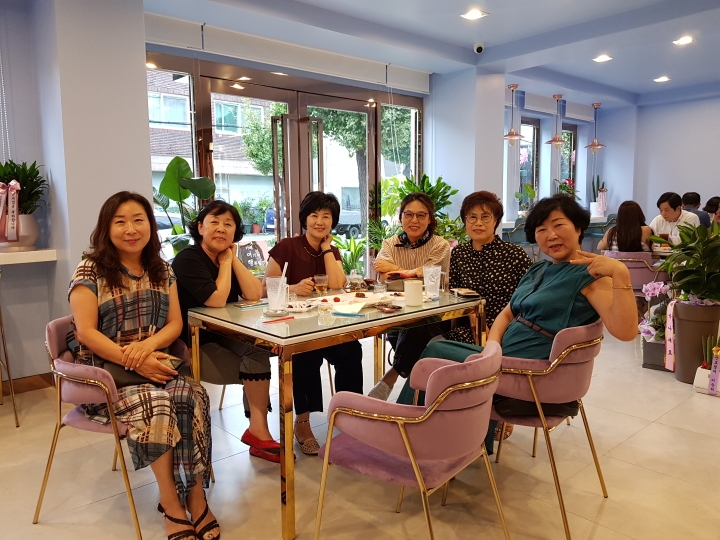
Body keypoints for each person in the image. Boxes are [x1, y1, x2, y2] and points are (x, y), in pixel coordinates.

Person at [404, 195, 638, 454]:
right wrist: (492, 347)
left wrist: (620, 273)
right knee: (429, 343)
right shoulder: (539, 269)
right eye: (541, 229)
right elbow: (507, 314)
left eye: (558, 225)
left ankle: (409, 433)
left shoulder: (590, 275)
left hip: (529, 370)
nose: (551, 235)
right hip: (501, 354)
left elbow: (626, 332)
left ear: (578, 228)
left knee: (434, 353)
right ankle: (456, 441)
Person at [67, 192, 218, 540]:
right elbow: (86, 332)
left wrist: (146, 350)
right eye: (120, 221)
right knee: (158, 404)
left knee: (191, 395)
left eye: (139, 220)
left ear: (150, 225)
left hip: (155, 362)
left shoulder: (162, 270)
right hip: (107, 375)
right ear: (106, 228)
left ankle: (196, 495)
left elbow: (175, 324)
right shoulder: (89, 270)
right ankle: (171, 502)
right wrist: (132, 360)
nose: (131, 229)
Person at [392, 190, 532, 406]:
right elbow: (454, 295)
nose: (478, 223)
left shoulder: (514, 255)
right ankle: (420, 409)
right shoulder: (460, 254)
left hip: (503, 331)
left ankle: (411, 409)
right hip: (467, 326)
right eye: (472, 217)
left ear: (496, 220)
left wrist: (496, 329)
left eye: (485, 217)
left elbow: (525, 302)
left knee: (431, 350)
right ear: (465, 221)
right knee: (417, 331)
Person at [172, 200, 280, 464]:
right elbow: (217, 299)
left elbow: (254, 294)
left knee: (258, 352)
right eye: (214, 222)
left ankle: (258, 430)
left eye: (228, 224)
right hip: (191, 346)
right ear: (200, 227)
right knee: (255, 369)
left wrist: (232, 259)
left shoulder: (225, 258)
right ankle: (259, 433)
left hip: (223, 336)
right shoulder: (188, 258)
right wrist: (226, 262)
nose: (221, 228)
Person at [264, 191, 363, 455]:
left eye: (326, 216)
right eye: (314, 215)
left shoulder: (331, 250)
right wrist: (293, 288)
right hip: (293, 328)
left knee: (352, 350)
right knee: (304, 356)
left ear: (333, 221)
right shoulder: (287, 247)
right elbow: (265, 288)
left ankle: (349, 414)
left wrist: (327, 249)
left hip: (326, 325)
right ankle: (302, 422)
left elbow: (337, 284)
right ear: (304, 218)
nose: (320, 221)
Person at [368, 192, 451, 401]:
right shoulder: (390, 244)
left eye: (421, 215)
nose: (414, 220)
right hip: (396, 312)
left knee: (416, 327)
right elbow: (383, 274)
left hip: (433, 314)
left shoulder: (440, 245)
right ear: (401, 218)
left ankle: (390, 378)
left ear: (430, 219)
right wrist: (415, 273)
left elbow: (429, 275)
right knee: (405, 333)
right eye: (409, 214)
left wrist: (396, 271)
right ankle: (417, 391)